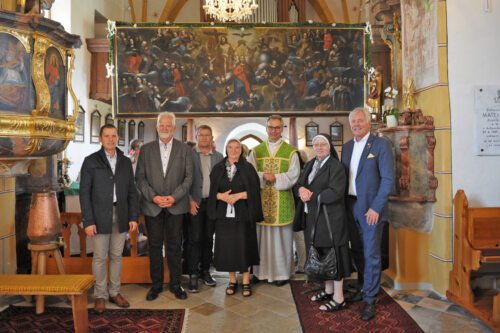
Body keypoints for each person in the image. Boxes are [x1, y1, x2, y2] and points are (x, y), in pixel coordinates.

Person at [341, 107, 394, 321]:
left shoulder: (381, 145)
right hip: (350, 206)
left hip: (371, 208)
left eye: (360, 121)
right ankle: (363, 286)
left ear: (368, 122)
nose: (356, 124)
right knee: (358, 251)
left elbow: (388, 180)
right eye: (353, 121)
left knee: (371, 253)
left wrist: (376, 207)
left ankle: (370, 299)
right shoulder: (346, 147)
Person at [79, 124, 139, 313]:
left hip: (120, 214)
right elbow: (84, 193)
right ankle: (100, 295)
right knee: (99, 257)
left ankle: (114, 292)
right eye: (107, 136)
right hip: (98, 216)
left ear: (117, 138)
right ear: (100, 138)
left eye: (114, 136)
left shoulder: (125, 161)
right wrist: (88, 221)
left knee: (116, 256)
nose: (111, 139)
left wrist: (133, 216)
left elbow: (131, 190)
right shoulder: (91, 161)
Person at [136, 111, 193, 301]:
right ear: (157, 127)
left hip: (176, 206)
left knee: (175, 246)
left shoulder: (184, 150)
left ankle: (176, 285)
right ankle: (156, 285)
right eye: (162, 125)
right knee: (154, 246)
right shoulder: (146, 150)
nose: (165, 128)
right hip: (153, 207)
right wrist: (154, 197)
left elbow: (188, 178)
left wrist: (173, 197)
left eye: (169, 125)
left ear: (174, 128)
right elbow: (140, 179)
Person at [294, 134, 351, 312]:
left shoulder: (336, 166)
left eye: (323, 144)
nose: (319, 147)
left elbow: (336, 191)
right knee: (322, 253)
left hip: (330, 219)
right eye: (316, 144)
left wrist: (312, 196)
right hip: (314, 218)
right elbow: (299, 184)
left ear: (329, 147)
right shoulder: (311, 163)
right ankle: (328, 290)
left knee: (335, 255)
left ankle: (339, 297)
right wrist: (301, 189)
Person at [247, 115, 300, 286]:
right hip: (261, 202)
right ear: (266, 128)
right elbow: (249, 174)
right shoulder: (256, 151)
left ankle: (281, 274)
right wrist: (264, 176)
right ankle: (259, 272)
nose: (274, 131)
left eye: (277, 127)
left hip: (282, 200)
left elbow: (294, 175)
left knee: (281, 240)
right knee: (260, 238)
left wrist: (275, 177)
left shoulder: (291, 151)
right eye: (271, 127)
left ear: (282, 128)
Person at [207, 139, 263, 297]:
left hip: (243, 215)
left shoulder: (248, 168)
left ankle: (246, 281)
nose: (233, 150)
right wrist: (222, 196)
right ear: (226, 149)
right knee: (228, 248)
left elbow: (254, 192)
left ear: (241, 150)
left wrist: (238, 196)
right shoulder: (218, 168)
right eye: (230, 147)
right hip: (223, 216)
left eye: (237, 147)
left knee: (244, 246)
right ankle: (232, 280)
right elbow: (211, 192)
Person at [186, 125, 223, 292]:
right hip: (195, 203)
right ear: (196, 137)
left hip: (212, 204)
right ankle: (193, 274)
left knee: (209, 239)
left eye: (207, 135)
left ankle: (205, 272)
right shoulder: (189, 155)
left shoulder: (219, 157)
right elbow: (182, 179)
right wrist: (189, 201)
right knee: (195, 239)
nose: (204, 138)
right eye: (201, 135)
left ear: (211, 138)